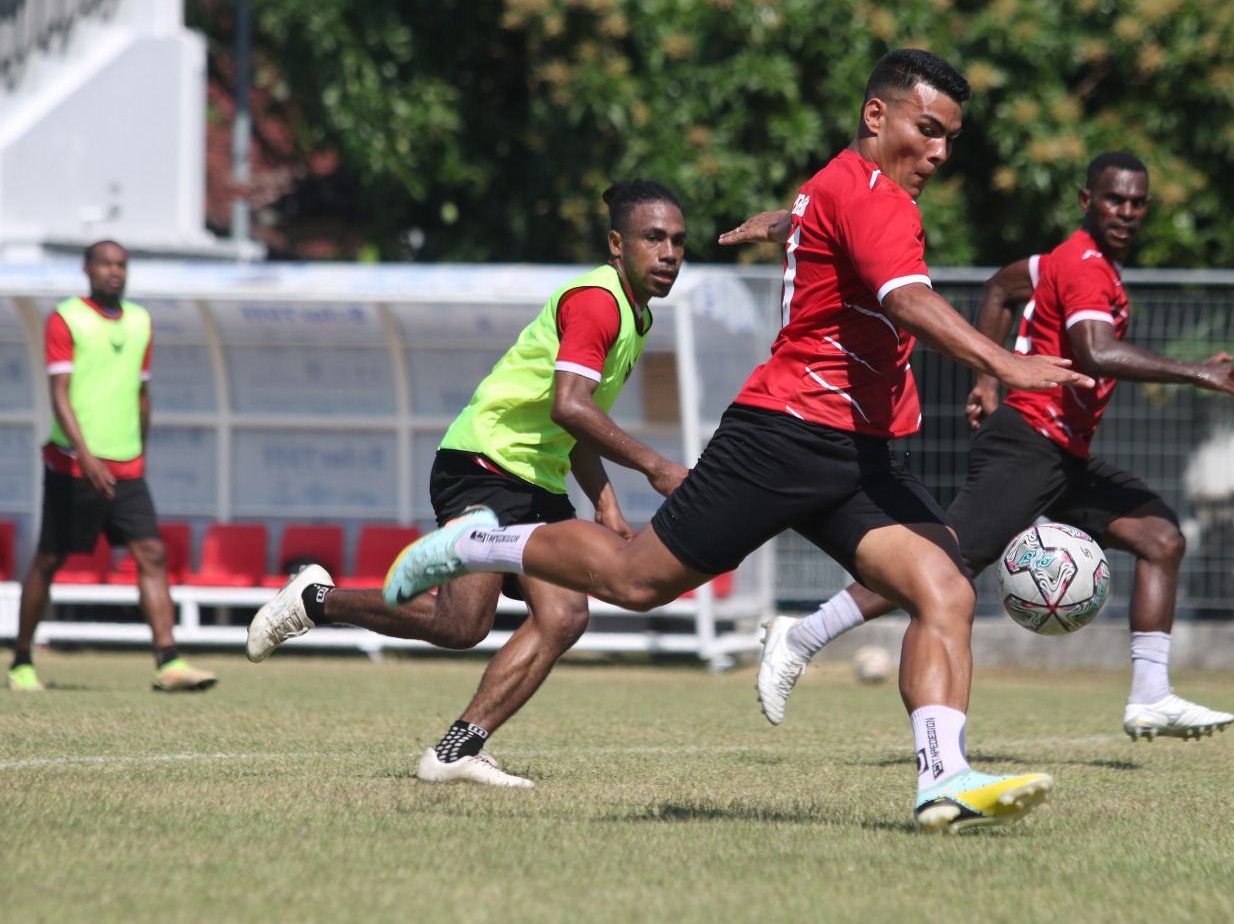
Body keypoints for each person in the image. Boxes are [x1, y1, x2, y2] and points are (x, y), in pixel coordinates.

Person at [383, 49, 1092, 834]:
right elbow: (909, 299)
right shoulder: (870, 197)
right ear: (876, 116)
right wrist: (1003, 360)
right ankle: (482, 543)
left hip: (857, 455)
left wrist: (789, 225)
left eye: (950, 138)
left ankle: (942, 779)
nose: (939, 152)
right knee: (632, 580)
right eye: (928, 130)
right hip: (783, 438)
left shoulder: (843, 188)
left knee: (944, 587)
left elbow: (835, 227)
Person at [753, 152, 1234, 740]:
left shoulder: (1062, 261)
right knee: (944, 564)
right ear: (1086, 201)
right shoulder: (1086, 266)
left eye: (1136, 201)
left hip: (1062, 452)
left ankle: (1150, 695)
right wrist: (1195, 371)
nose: (1126, 210)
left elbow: (1000, 286)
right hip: (1027, 443)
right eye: (1114, 198)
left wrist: (986, 379)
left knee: (1160, 538)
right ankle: (801, 635)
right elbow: (1094, 352)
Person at [246, 180, 690, 786]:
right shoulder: (597, 302)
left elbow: (575, 420)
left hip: (537, 483)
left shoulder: (634, 316)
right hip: (482, 464)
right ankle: (313, 601)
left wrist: (606, 502)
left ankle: (456, 751)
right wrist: (657, 468)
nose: (669, 253)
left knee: (563, 616)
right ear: (617, 243)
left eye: (678, 242)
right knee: (462, 624)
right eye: (653, 238)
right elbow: (570, 407)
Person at [8, 241, 216, 693]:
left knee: (152, 554)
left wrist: (140, 445)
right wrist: (84, 454)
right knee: (49, 560)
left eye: (121, 264)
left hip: (127, 468)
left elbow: (141, 392)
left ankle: (169, 661)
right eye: (106, 264)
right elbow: (59, 394)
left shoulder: (140, 321)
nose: (115, 272)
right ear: (87, 269)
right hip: (73, 465)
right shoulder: (67, 318)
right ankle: (21, 661)